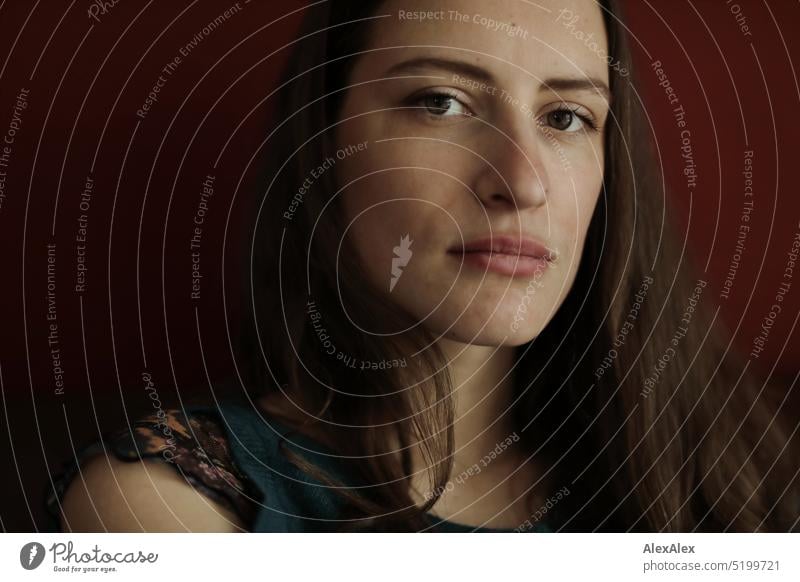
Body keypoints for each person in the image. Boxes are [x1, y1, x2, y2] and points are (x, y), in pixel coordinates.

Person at [50, 0, 797, 533]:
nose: (524, 182)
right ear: (325, 145)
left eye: (566, 117)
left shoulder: (735, 475)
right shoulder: (165, 506)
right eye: (440, 102)